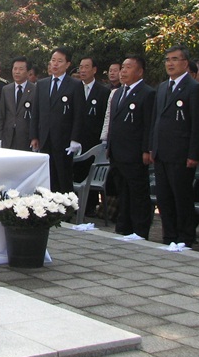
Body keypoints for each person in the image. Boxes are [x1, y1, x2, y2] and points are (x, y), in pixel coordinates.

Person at [150, 46, 199, 246]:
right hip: (161, 151)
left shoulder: (194, 88)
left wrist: (194, 153)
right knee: (164, 198)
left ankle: (185, 237)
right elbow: (156, 120)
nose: (170, 63)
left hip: (181, 153)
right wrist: (152, 147)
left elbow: (198, 124)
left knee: (181, 197)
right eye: (167, 60)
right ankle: (169, 236)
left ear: (185, 63)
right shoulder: (162, 87)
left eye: (175, 59)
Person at [106, 55, 156, 238]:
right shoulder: (118, 92)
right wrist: (109, 145)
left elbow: (148, 124)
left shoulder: (147, 93)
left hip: (135, 153)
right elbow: (113, 122)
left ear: (140, 71)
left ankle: (140, 229)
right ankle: (123, 226)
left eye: (128, 68)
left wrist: (146, 149)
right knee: (122, 192)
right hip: (117, 152)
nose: (123, 71)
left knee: (138, 193)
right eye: (122, 68)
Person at [30, 47, 84, 194]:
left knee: (63, 177)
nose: (55, 64)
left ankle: (66, 212)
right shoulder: (42, 84)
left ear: (67, 64)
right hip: (45, 138)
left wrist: (75, 139)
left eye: (60, 61)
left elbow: (79, 114)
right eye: (53, 60)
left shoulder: (75, 85)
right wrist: (34, 135)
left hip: (64, 139)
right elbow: (36, 112)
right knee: (47, 177)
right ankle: (48, 211)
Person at [75, 57, 110, 214]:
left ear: (94, 70)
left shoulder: (103, 92)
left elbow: (105, 118)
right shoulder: (74, 88)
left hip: (93, 141)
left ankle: (89, 208)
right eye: (80, 67)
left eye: (86, 67)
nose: (82, 70)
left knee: (88, 172)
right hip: (75, 140)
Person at [0, 57, 35, 151]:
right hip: (8, 136)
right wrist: (0, 137)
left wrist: (35, 137)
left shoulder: (35, 90)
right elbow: (1, 115)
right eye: (15, 69)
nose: (17, 72)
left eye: (21, 69)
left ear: (29, 72)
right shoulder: (6, 89)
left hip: (26, 138)